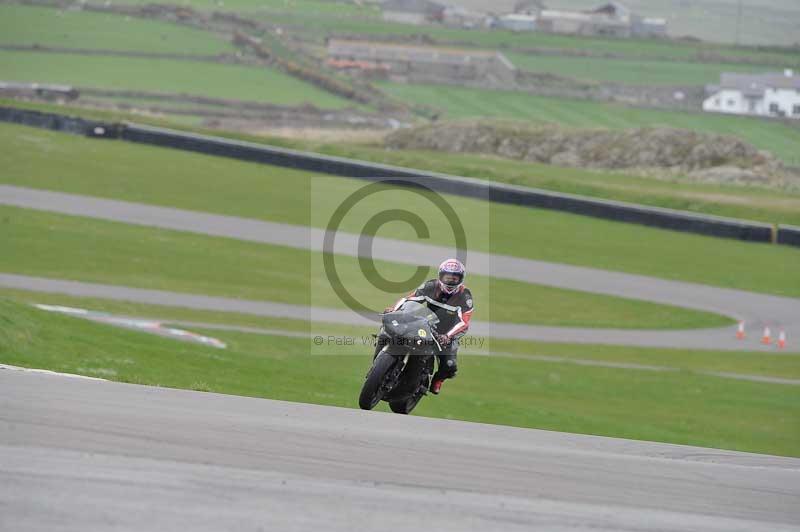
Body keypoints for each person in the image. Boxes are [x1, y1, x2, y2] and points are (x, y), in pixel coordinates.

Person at [382, 258, 474, 395]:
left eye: (455, 279)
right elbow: (409, 299)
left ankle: (438, 379)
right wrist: (395, 309)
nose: (450, 281)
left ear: (461, 279)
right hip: (427, 322)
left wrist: (448, 336)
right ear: (440, 276)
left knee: (449, 366)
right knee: (391, 332)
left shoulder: (465, 296)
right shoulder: (430, 286)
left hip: (448, 332)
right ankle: (383, 355)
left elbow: (464, 322)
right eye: (447, 277)